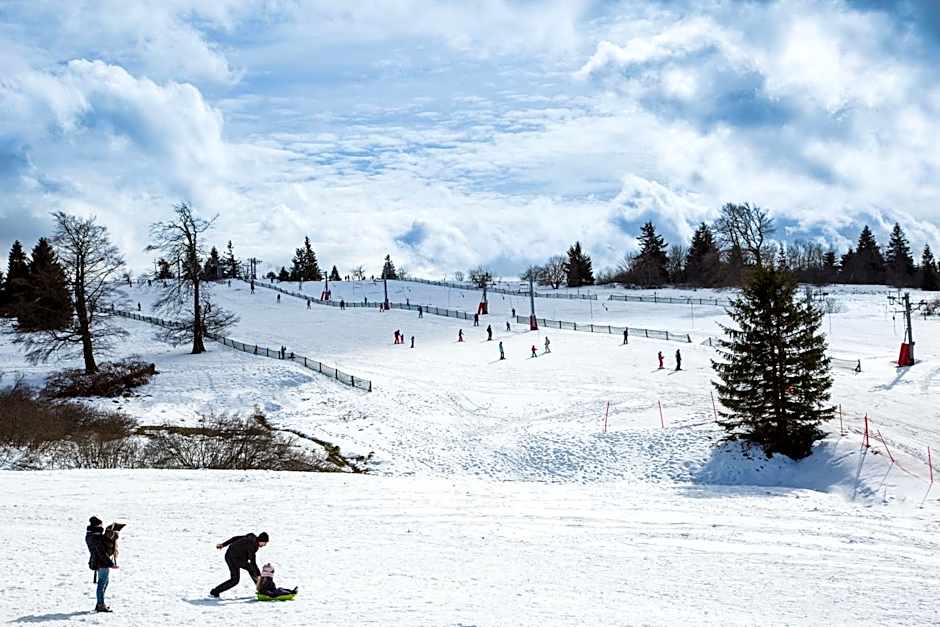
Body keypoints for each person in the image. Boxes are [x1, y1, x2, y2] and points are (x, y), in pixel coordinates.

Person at [210, 531, 269, 598]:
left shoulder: (251, 537)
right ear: (261, 541)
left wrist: (223, 545)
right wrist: (258, 575)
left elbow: (235, 538)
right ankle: (215, 592)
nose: (265, 545)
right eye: (265, 543)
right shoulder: (252, 546)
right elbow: (253, 562)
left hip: (235, 556)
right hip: (232, 558)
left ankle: (261, 588)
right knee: (235, 580)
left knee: (250, 569)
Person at [86, 516, 116, 613]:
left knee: (104, 582)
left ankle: (100, 603)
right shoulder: (96, 537)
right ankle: (100, 605)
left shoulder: (90, 535)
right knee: (102, 583)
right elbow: (101, 552)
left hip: (97, 561)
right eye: (100, 524)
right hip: (102, 563)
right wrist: (110, 563)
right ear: (97, 525)